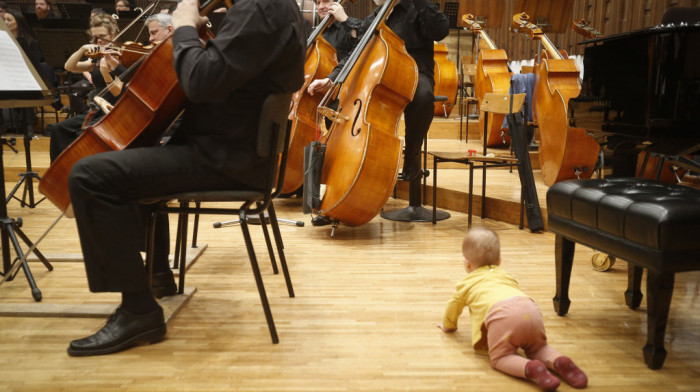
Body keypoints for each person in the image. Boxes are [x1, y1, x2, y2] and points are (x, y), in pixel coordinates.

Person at [64, 0, 305, 357]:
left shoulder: (258, 8)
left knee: (88, 175)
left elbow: (200, 82)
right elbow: (227, 71)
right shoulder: (278, 8)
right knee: (135, 157)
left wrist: (185, 27)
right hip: (235, 152)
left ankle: (138, 311)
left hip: (222, 158)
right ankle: (157, 275)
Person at [307, 0, 449, 223]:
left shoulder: (416, 7)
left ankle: (411, 155)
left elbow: (440, 31)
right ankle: (334, 193)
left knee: (423, 96)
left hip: (414, 72)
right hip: (379, 78)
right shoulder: (378, 16)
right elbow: (356, 52)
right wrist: (331, 79)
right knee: (337, 108)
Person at [437, 227, 588, 392]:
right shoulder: (506, 275)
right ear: (499, 261)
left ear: (467, 264)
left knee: (500, 358)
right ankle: (559, 361)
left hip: (502, 315)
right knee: (538, 348)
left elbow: (453, 307)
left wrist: (448, 326)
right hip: (529, 308)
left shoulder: (466, 284)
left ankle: (530, 368)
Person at [47, 14, 125, 161]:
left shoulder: (121, 57)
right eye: (95, 37)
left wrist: (106, 74)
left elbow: (118, 92)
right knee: (59, 129)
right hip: (96, 110)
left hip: (113, 110)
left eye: (102, 36)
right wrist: (82, 49)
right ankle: (60, 173)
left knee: (87, 135)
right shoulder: (98, 56)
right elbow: (69, 66)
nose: (99, 40)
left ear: (113, 35)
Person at [0, 10, 47, 134]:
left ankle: (29, 125)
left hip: (27, 78)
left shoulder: (31, 42)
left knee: (27, 90)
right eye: (4, 20)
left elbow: (35, 65)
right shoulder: (3, 42)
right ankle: (4, 125)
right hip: (8, 77)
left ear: (19, 22)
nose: (6, 23)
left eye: (9, 20)